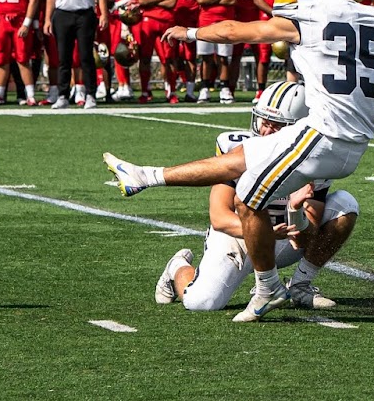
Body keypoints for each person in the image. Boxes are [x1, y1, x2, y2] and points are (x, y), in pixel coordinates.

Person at [106, 0, 374, 323]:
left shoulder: (308, 15)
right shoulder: (373, 20)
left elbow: (236, 31)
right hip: (354, 142)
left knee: (249, 197)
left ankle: (269, 288)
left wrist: (190, 32)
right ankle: (145, 176)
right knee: (246, 163)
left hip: (323, 134)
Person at [155, 81, 362, 312]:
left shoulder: (315, 162)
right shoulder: (235, 149)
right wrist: (259, 231)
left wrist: (295, 211)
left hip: (284, 238)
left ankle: (300, 285)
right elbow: (219, 217)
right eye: (264, 122)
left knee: (345, 204)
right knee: (201, 302)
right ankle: (177, 267)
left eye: (277, 126)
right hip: (236, 237)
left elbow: (305, 238)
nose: (266, 131)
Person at [46, 0, 105, 110]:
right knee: (64, 57)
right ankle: (63, 95)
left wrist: (103, 13)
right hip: (63, 13)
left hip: (84, 14)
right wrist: (48, 18)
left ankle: (90, 94)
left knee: (86, 56)